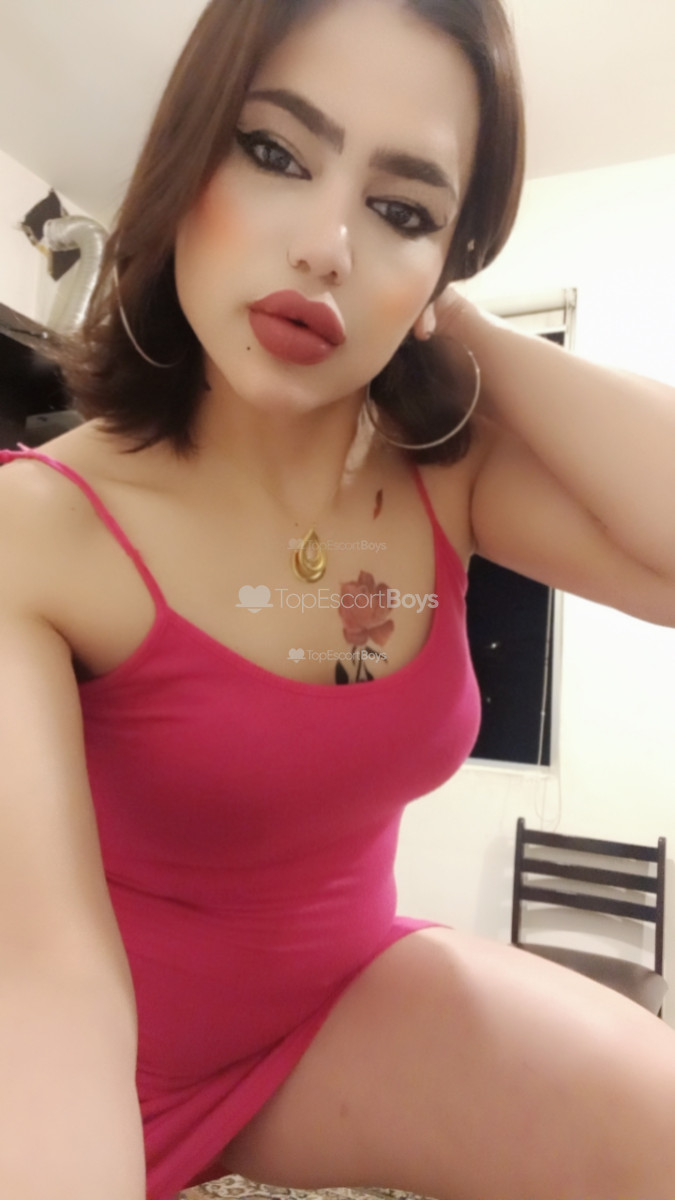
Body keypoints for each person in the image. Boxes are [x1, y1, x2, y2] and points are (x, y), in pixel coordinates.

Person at [1, 1, 675, 1198]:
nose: (327, 246)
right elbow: (43, 976)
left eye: (404, 210)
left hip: (331, 1017)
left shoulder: (443, 479)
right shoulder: (38, 530)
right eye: (274, 151)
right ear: (186, 162)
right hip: (94, 1059)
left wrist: (463, 329)